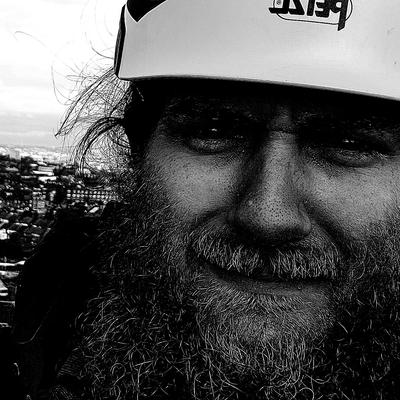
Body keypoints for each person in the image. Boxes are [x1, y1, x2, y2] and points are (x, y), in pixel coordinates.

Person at [11, 0, 400, 398]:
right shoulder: (41, 332)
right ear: (136, 153)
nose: (268, 217)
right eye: (214, 131)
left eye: (349, 144)